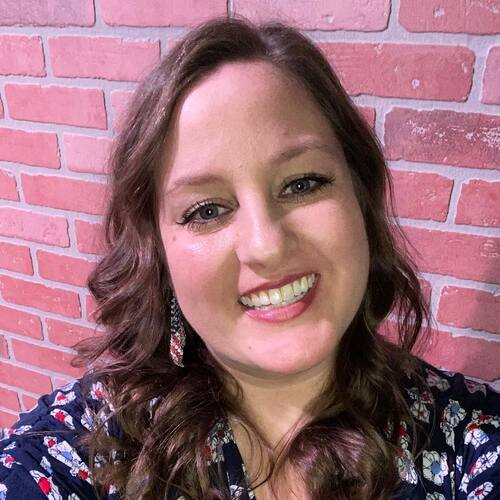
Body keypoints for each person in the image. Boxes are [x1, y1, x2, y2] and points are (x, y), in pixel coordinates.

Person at [1, 16, 499, 500]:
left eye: (302, 184)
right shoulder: (80, 448)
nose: (267, 245)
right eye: (207, 210)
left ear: (360, 200)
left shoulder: (471, 440)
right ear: (159, 258)